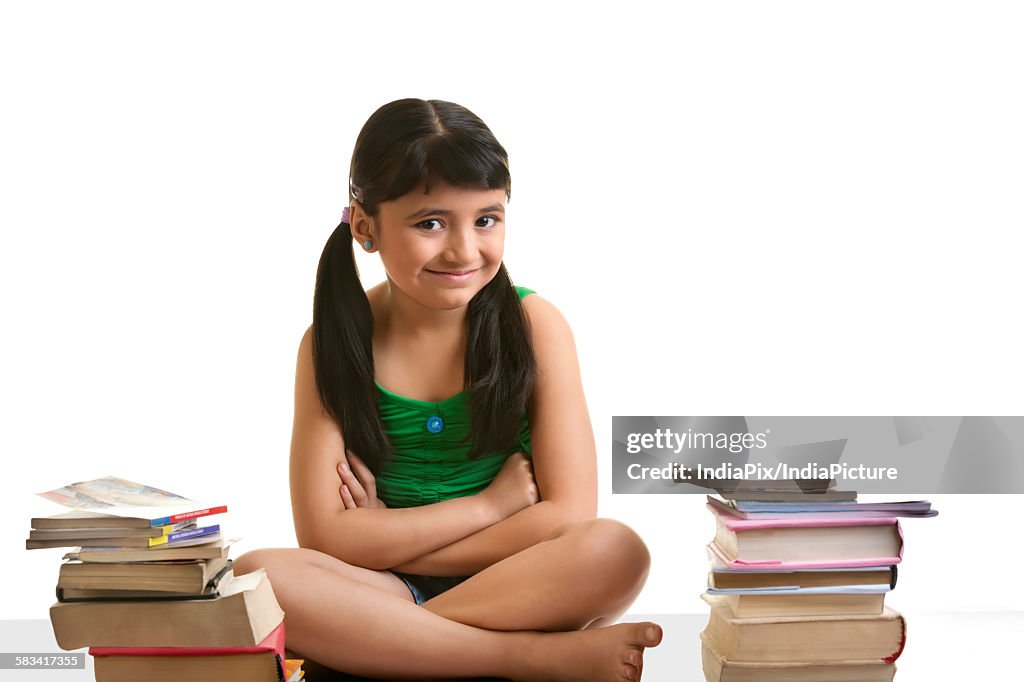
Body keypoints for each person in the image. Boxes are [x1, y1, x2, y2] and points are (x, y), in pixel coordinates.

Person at [233, 98, 662, 681]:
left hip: (522, 577)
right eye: (431, 222)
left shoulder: (536, 327)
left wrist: (381, 537)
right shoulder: (330, 345)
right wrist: (489, 506)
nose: (464, 249)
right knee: (259, 575)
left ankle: (392, 647)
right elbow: (325, 537)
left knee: (616, 550)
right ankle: (520, 657)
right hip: (379, 584)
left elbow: (566, 516)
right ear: (365, 226)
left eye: (486, 219)